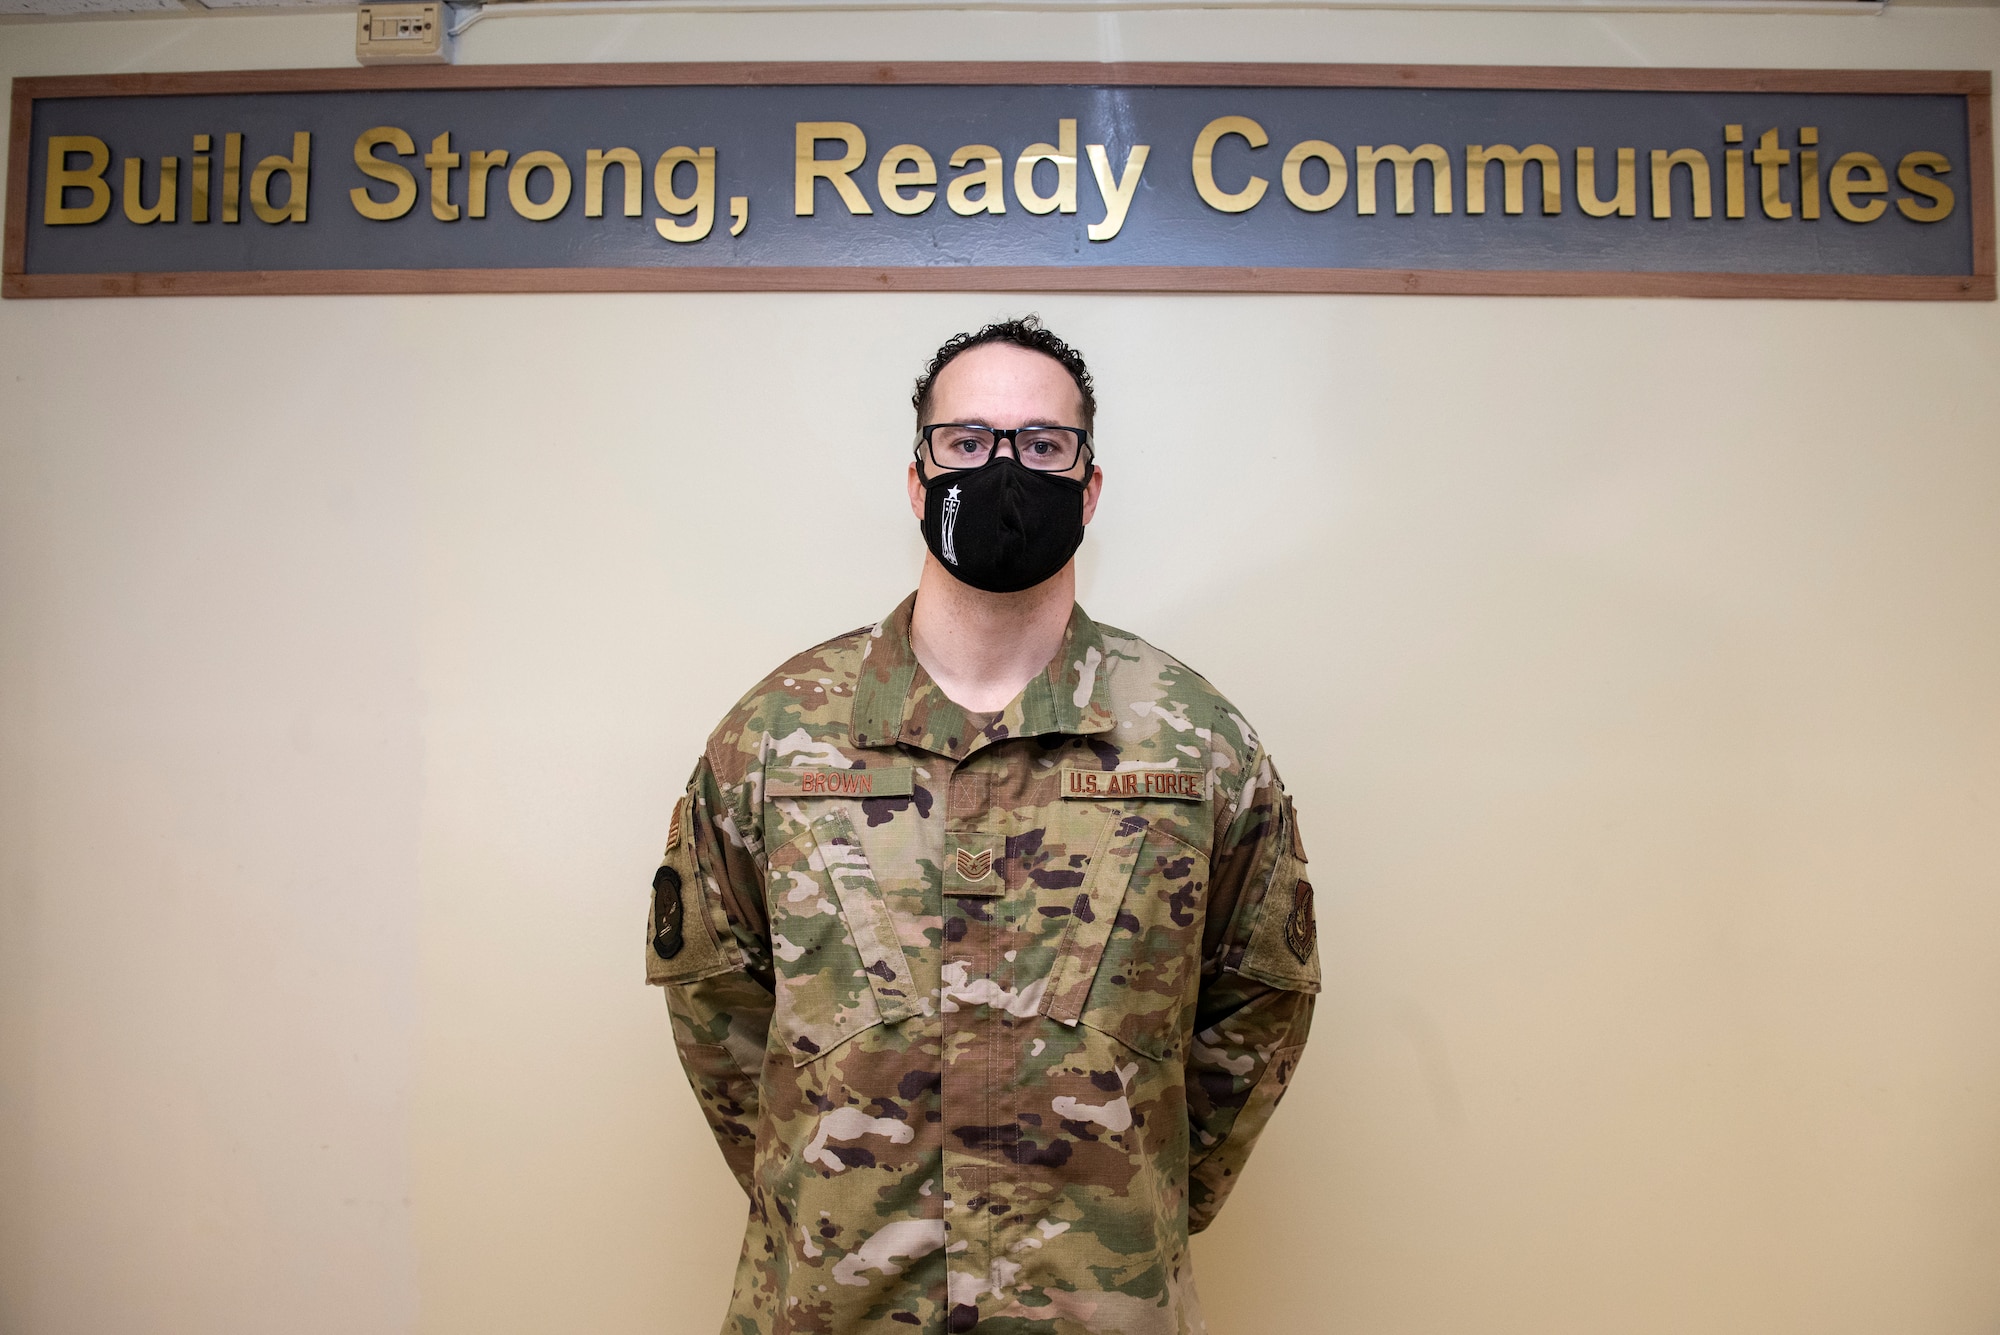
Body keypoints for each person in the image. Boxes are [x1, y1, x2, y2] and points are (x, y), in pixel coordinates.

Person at [646, 316, 1319, 1335]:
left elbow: (1258, 1002)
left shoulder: (1195, 743)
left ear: (1088, 487)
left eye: (1042, 444)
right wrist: (816, 1190)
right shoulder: (776, 736)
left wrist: (1137, 1198)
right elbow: (716, 1003)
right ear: (919, 481)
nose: (1003, 469)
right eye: (966, 441)